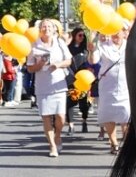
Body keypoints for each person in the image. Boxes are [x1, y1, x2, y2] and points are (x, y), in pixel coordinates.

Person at [26, 18, 72, 157]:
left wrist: (58, 65)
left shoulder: (60, 43)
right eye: (44, 27)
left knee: (61, 117)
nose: (46, 29)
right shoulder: (33, 46)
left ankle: (58, 135)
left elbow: (69, 60)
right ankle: (52, 145)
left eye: (49, 27)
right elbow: (29, 68)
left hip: (58, 84)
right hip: (42, 86)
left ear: (54, 29)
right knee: (46, 117)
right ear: (40, 29)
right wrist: (39, 66)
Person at [88, 27, 130, 154]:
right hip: (107, 86)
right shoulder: (103, 45)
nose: (115, 34)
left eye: (118, 31)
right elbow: (93, 60)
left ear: (124, 32)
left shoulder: (130, 45)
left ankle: (126, 142)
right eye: (113, 31)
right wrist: (92, 48)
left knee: (127, 114)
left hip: (126, 85)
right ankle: (114, 143)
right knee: (108, 114)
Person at [66, 28, 90, 134]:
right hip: (72, 79)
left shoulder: (86, 49)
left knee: (83, 104)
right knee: (70, 102)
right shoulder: (68, 48)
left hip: (84, 80)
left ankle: (84, 121)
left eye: (83, 36)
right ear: (74, 36)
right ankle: (71, 125)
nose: (82, 37)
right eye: (79, 35)